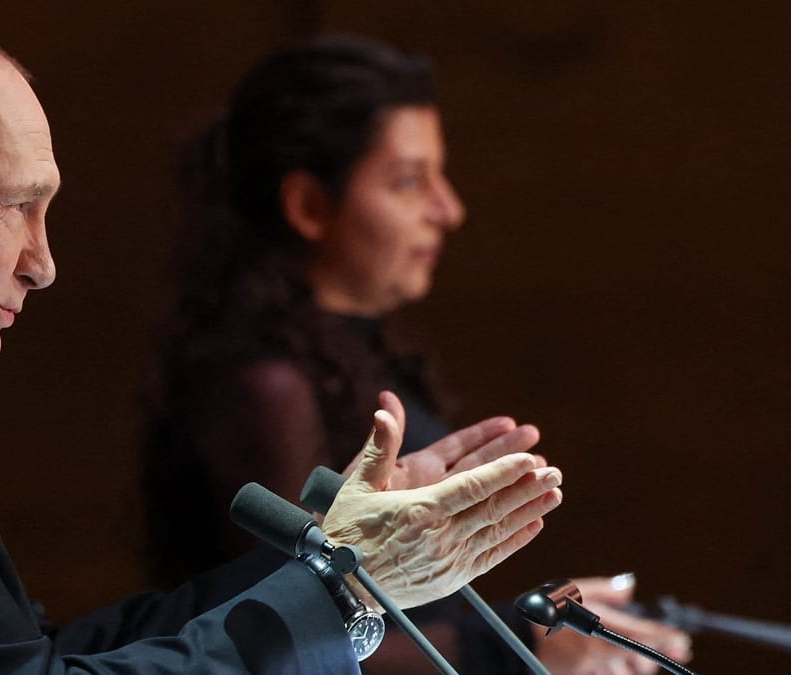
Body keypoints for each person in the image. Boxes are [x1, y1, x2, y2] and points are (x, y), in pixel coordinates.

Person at [0, 14, 564, 675]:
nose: (42, 264)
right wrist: (345, 596)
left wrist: (333, 554)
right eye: (17, 206)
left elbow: (41, 653)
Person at [142, 35, 692, 674]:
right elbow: (271, 632)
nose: (448, 210)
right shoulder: (265, 386)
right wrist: (515, 648)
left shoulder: (360, 349)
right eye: (409, 182)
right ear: (310, 206)